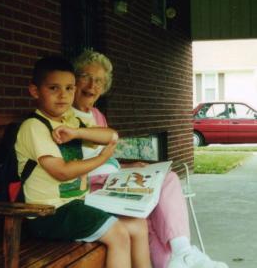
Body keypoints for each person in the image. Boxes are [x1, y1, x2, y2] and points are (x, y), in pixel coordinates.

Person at [72, 50, 229, 268]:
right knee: (156, 196)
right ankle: (182, 254)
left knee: (164, 183)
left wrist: (127, 166)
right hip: (92, 186)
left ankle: (178, 257)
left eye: (99, 80)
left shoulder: (97, 116)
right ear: (73, 80)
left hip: (109, 178)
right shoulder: (65, 117)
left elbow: (104, 158)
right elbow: (77, 164)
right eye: (86, 77)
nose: (92, 85)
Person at [15, 55, 152, 268]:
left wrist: (77, 132)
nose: (63, 95)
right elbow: (62, 172)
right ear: (35, 91)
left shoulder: (72, 121)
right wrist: (102, 158)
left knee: (138, 225)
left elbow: (112, 136)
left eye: (69, 88)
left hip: (76, 204)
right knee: (118, 234)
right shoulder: (34, 126)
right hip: (47, 213)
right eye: (54, 88)